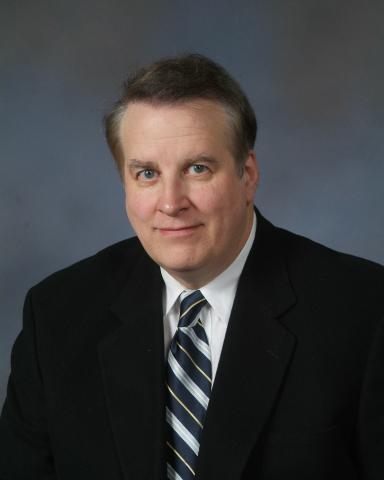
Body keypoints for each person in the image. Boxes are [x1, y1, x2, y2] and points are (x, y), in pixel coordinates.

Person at [0, 53, 383, 480]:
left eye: (198, 168)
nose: (171, 202)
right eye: (147, 173)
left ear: (248, 174)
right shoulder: (57, 315)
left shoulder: (364, 313)